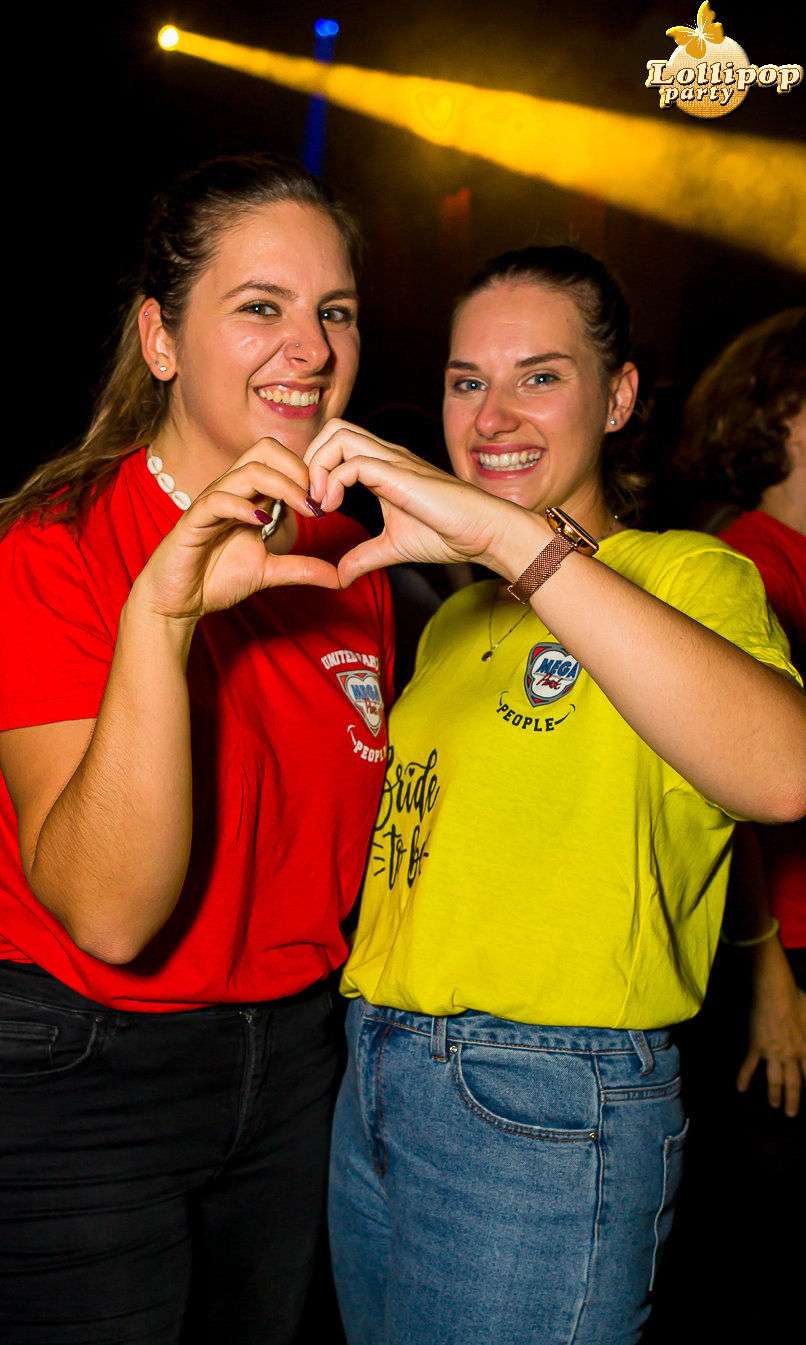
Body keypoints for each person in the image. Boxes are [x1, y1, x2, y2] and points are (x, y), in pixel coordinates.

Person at [302, 247, 806, 1345]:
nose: (492, 416)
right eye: (465, 380)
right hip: (378, 1070)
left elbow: (782, 773)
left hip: (546, 1093)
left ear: (617, 397)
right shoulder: (451, 620)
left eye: (539, 375)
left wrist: (508, 537)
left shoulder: (687, 575)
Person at [0, 154, 393, 1345]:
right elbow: (109, 916)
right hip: (87, 1065)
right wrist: (159, 621)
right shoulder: (53, 550)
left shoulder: (353, 554)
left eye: (334, 311)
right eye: (261, 306)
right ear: (160, 339)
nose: (310, 348)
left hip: (297, 1066)